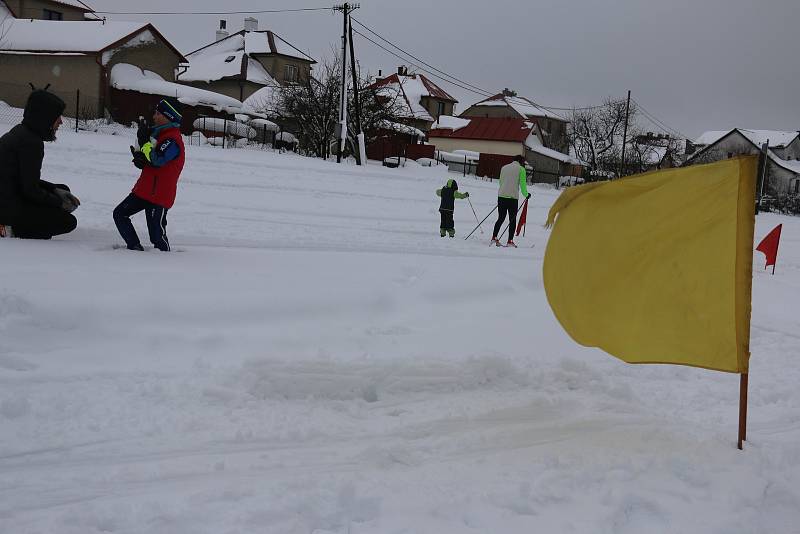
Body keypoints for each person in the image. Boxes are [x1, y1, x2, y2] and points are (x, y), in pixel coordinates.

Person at [0, 89, 80, 240]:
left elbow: (25, 180)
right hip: (7, 207)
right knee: (67, 222)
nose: (61, 122)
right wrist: (59, 203)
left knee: (63, 190)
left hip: (8, 196)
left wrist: (54, 190)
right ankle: (7, 229)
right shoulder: (31, 143)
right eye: (57, 117)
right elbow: (30, 190)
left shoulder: (20, 132)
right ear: (45, 118)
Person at [113, 98, 185, 251]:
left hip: (159, 196)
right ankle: (134, 248)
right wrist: (140, 159)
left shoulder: (173, 140)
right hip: (144, 190)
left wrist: (145, 144)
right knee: (119, 214)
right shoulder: (157, 134)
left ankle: (166, 261)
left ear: (168, 117)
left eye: (158, 113)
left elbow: (158, 160)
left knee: (157, 237)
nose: (154, 116)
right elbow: (150, 159)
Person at [491, 155, 530, 248]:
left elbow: (501, 182)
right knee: (512, 220)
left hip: (501, 196)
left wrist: (504, 190)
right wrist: (526, 195)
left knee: (500, 218)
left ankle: (494, 237)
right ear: (521, 162)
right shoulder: (521, 169)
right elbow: (523, 184)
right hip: (512, 198)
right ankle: (510, 241)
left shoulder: (504, 168)